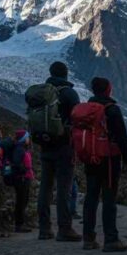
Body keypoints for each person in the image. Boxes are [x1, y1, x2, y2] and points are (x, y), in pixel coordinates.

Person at [81, 77, 127, 252]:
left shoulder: (86, 109)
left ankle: (88, 239)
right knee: (109, 199)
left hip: (91, 158)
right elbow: (122, 137)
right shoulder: (112, 109)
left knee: (91, 197)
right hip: (109, 160)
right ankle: (111, 239)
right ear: (108, 89)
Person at [36, 61, 82, 241]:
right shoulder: (69, 93)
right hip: (64, 146)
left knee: (45, 187)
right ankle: (65, 229)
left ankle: (44, 229)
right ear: (66, 74)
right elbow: (78, 119)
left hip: (45, 145)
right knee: (64, 188)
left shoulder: (41, 93)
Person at [11, 130, 34, 233]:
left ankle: (21, 222)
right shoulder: (19, 149)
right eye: (27, 137)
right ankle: (19, 224)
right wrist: (24, 170)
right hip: (22, 179)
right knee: (21, 201)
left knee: (23, 201)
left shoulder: (22, 148)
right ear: (24, 139)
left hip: (24, 178)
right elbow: (16, 163)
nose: (29, 139)